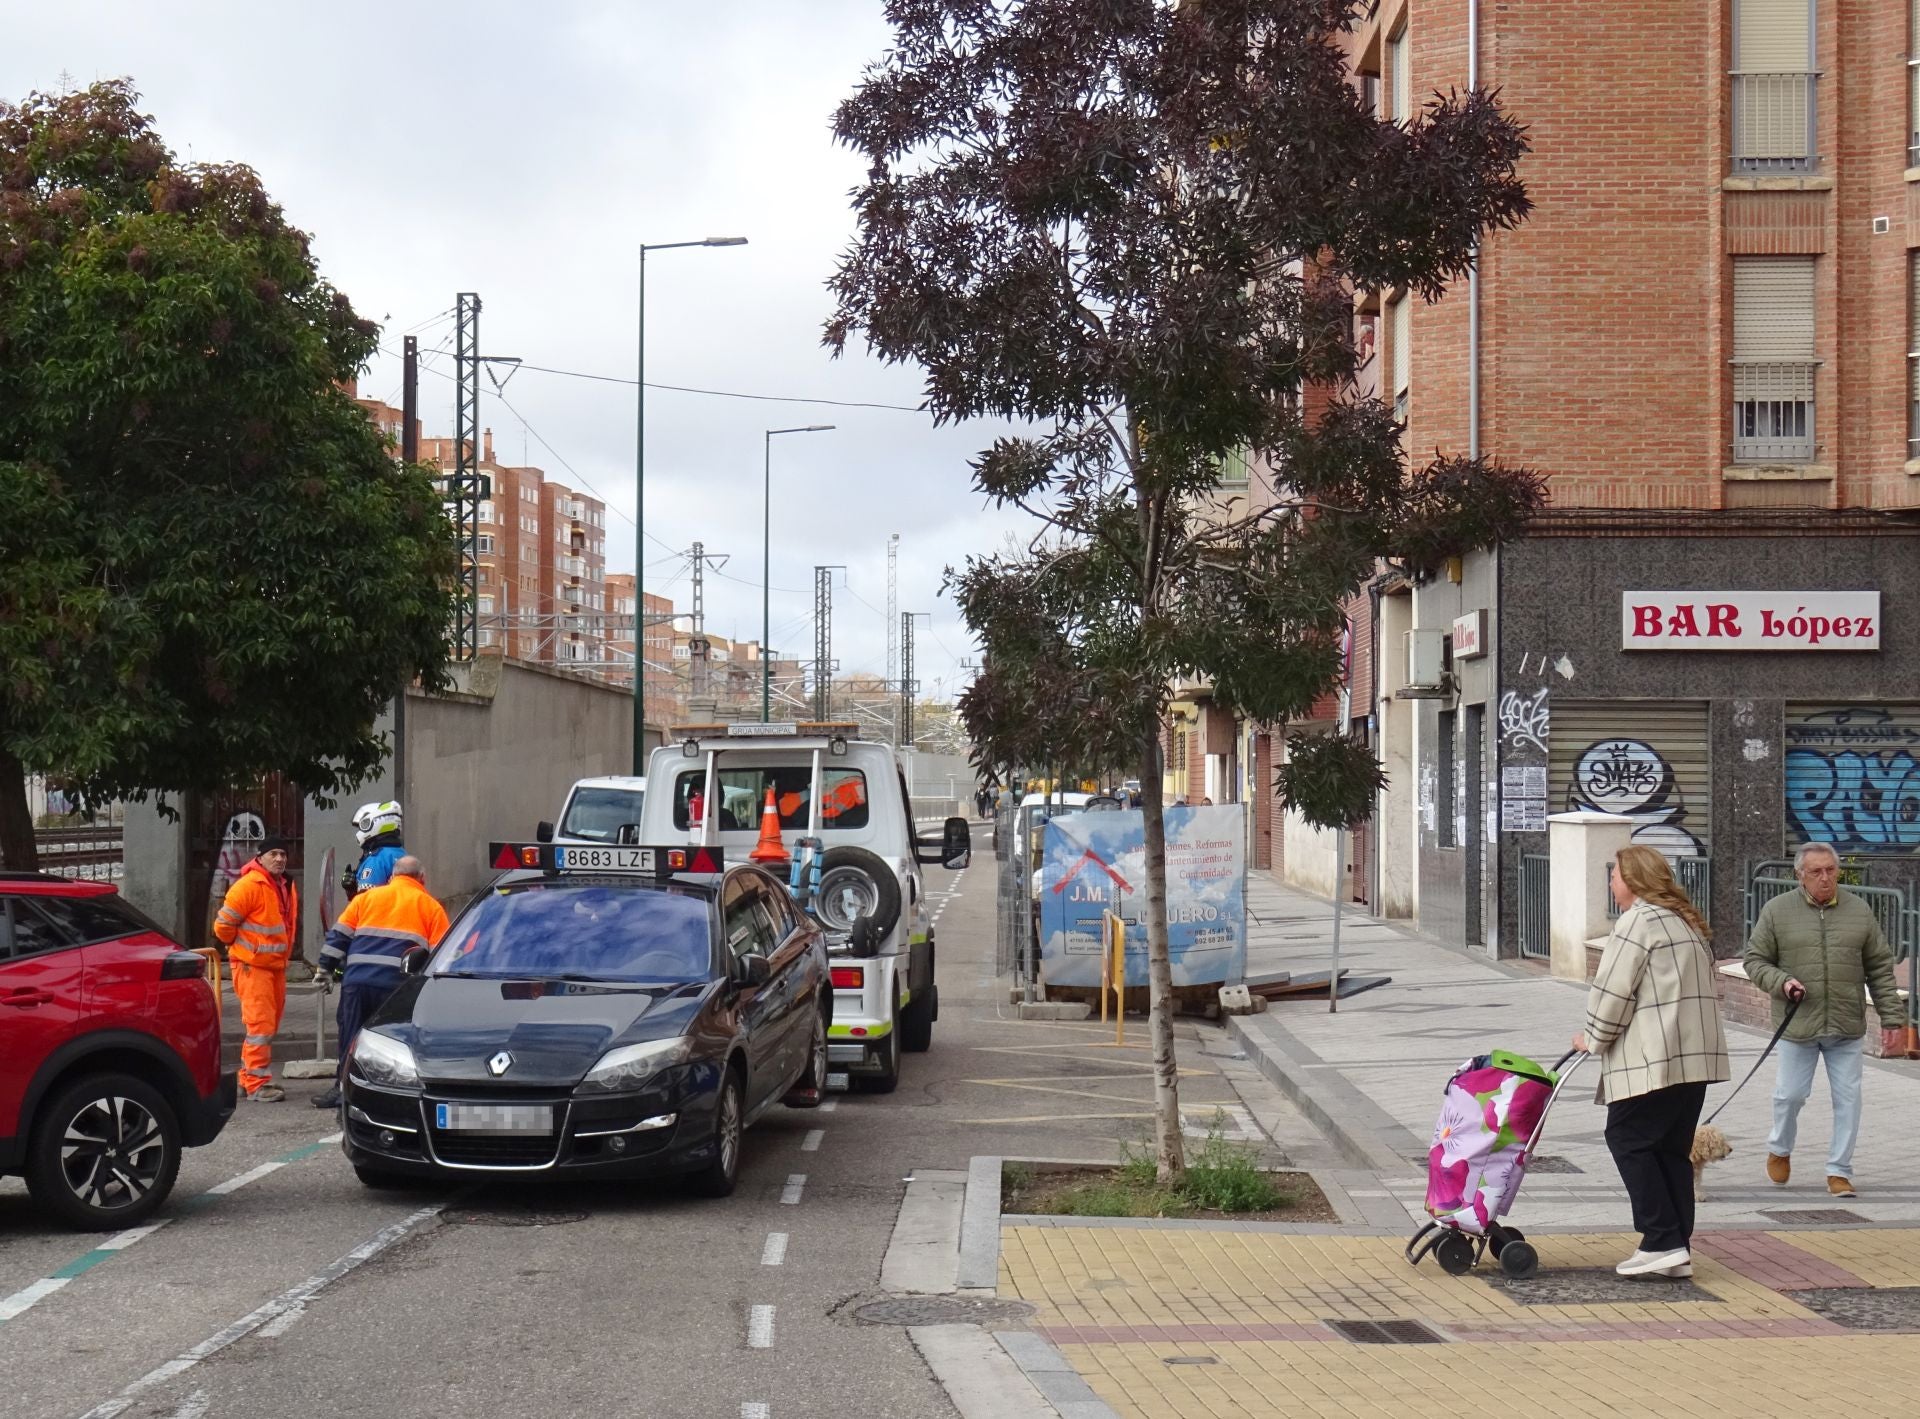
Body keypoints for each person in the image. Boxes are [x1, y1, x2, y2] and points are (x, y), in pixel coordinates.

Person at [1571, 845, 1729, 1279]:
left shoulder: (1638, 922)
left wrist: (1593, 1038)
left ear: (1635, 879)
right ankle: (1674, 1244)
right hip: (1691, 1061)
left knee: (1627, 1138)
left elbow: (1613, 992)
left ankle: (1661, 1238)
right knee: (1670, 1149)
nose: (1611, 882)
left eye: (1615, 875)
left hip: (1652, 1061)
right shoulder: (1684, 921)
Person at [1742, 840, 1906, 1199]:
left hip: (1846, 1026)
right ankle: (1780, 1147)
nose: (1826, 878)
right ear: (1800, 875)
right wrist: (1782, 982)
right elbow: (1755, 960)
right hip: (1798, 1024)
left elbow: (1880, 968)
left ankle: (1839, 1171)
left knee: (1849, 1100)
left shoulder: (1859, 911)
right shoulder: (1777, 911)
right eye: (1816, 871)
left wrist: (1893, 1021)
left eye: (1831, 870)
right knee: (1790, 1096)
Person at [311, 855, 449, 1110]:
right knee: (391, 1042)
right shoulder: (431, 907)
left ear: (392, 877)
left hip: (357, 983)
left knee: (351, 1038)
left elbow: (339, 936)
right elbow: (442, 954)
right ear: (422, 878)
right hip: (397, 988)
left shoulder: (365, 899)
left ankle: (344, 1092)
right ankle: (388, 1095)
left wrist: (325, 969)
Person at [213, 835, 302, 1103]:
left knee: (268, 1025)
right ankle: (256, 1084)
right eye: (273, 853)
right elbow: (222, 928)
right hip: (253, 967)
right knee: (260, 1026)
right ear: (260, 857)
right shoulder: (249, 886)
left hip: (273, 967)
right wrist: (243, 950)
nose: (279, 858)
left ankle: (246, 1078)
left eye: (283, 854)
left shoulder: (284, 885)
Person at [342, 800, 406, 899]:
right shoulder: (402, 854)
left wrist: (352, 890)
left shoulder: (377, 859)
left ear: (375, 823)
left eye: (361, 826)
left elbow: (366, 900)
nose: (359, 831)